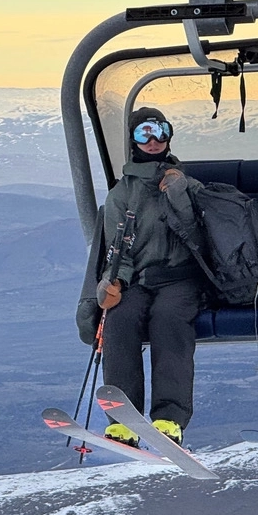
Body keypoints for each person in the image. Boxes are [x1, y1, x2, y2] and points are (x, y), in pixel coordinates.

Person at [75, 106, 206, 447]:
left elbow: (200, 234)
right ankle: (123, 420)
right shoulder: (122, 194)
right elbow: (117, 249)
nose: (153, 141)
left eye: (160, 132)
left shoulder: (186, 185)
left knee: (169, 320)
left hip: (181, 278)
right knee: (119, 319)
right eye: (143, 133)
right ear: (132, 140)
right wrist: (114, 282)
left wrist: (179, 195)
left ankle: (169, 418)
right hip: (139, 280)